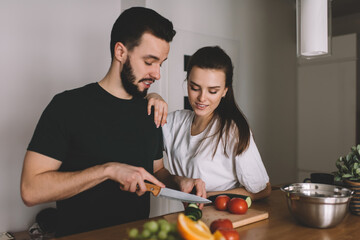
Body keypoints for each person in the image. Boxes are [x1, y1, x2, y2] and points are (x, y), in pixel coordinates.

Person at [20, 7, 205, 237]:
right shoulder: (67, 106)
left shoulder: (151, 110)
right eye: (150, 61)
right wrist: (107, 171)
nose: (158, 74)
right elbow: (30, 190)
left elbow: (157, 172)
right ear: (120, 51)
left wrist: (180, 183)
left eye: (161, 63)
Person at [150, 46, 271, 201]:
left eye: (212, 91)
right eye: (194, 88)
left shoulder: (233, 131)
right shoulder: (175, 122)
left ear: (225, 91)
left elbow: (263, 189)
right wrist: (153, 96)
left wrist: (210, 198)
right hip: (193, 219)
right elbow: (151, 158)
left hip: (226, 218)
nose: (202, 98)